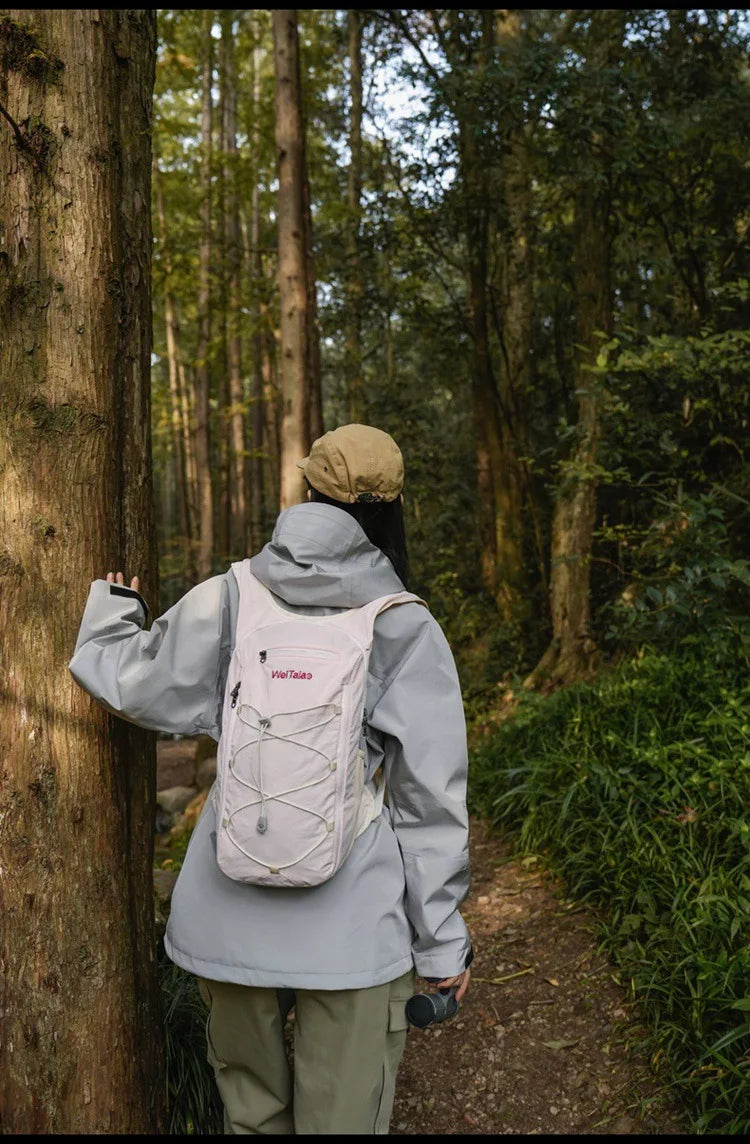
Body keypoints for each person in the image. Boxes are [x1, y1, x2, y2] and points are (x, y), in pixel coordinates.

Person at [69, 423, 473, 1135]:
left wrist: (111, 614)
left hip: (227, 920)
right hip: (353, 933)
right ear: (392, 506)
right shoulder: (403, 624)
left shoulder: (230, 595)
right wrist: (440, 942)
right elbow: (428, 802)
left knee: (251, 1119)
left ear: (306, 489)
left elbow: (132, 682)